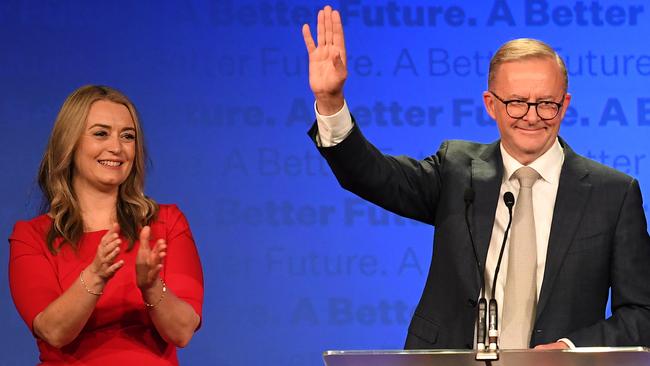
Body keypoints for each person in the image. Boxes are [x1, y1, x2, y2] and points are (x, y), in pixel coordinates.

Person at [302, 6, 650, 349]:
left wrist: (569, 349)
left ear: (565, 103)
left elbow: (642, 313)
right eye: (516, 101)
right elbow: (372, 176)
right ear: (490, 104)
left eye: (546, 103)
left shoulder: (614, 194)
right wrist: (331, 102)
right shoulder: (456, 170)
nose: (531, 117)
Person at [8, 85, 204, 365]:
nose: (117, 147)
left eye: (128, 136)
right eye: (101, 133)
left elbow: (182, 332)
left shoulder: (165, 223)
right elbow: (53, 331)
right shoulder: (32, 236)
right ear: (69, 143)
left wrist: (151, 287)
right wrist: (96, 276)